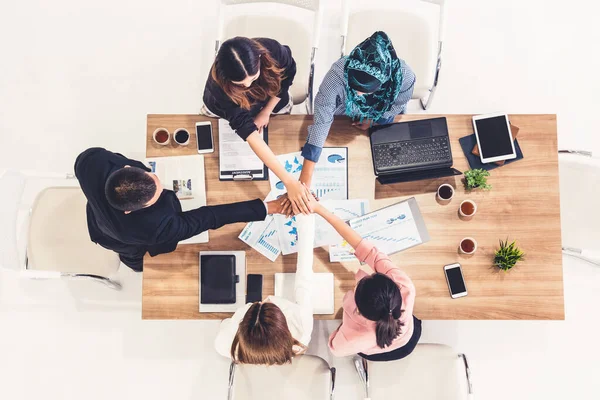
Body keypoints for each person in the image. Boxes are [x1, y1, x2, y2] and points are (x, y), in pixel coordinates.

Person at [74, 147, 285, 272]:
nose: (161, 183)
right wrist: (270, 207)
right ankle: (134, 263)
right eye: (157, 195)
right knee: (137, 259)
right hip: (114, 237)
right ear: (131, 211)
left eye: (153, 178)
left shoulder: (90, 161)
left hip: (97, 208)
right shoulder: (156, 228)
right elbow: (210, 217)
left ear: (127, 169)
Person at [202, 36, 313, 215]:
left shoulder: (273, 50)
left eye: (253, 77)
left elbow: (287, 76)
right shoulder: (219, 88)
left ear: (261, 59)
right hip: (229, 109)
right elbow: (247, 130)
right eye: (240, 83)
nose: (247, 85)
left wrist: (267, 111)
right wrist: (289, 182)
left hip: (269, 99)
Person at [311, 194, 420, 361]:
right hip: (408, 337)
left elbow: (334, 345)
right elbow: (368, 250)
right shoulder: (404, 286)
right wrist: (320, 210)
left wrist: (344, 325)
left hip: (383, 349)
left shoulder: (354, 335)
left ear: (358, 310)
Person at [299, 31, 416, 186]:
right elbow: (322, 119)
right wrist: (305, 178)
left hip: (382, 112)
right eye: (354, 88)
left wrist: (374, 120)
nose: (359, 94)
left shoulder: (404, 77)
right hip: (345, 112)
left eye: (366, 90)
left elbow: (397, 104)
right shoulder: (336, 75)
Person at [214, 212, 315, 364]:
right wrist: (306, 217)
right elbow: (305, 277)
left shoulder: (225, 343)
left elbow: (224, 323)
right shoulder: (302, 328)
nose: (263, 300)